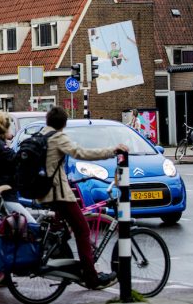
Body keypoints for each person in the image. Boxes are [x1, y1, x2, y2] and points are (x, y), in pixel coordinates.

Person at [39, 107, 128, 289]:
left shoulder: (40, 136)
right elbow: (82, 153)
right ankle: (91, 277)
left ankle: (63, 263)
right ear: (63, 124)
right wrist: (112, 151)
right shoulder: (57, 137)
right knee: (83, 230)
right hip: (59, 194)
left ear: (48, 121)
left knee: (61, 231)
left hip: (43, 192)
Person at [0, 111, 36, 223]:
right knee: (31, 224)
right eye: (11, 127)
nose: (12, 129)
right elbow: (15, 160)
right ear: (5, 129)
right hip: (4, 193)